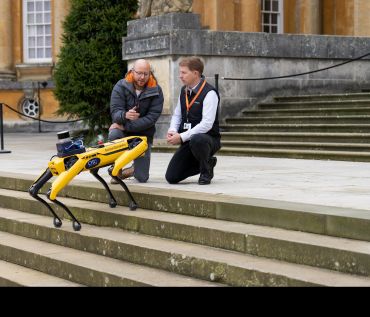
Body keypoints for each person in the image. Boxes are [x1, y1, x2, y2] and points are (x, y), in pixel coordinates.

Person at [165, 57, 221, 185]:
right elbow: (177, 115)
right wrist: (173, 130)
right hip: (187, 140)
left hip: (207, 139)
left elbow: (207, 124)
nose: (180, 76)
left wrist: (182, 136)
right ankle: (207, 162)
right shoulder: (184, 91)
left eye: (184, 73)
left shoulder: (209, 93)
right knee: (171, 177)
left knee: (198, 139)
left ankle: (205, 172)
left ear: (195, 73)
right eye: (180, 72)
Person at [109, 59, 164, 183]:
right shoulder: (121, 86)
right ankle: (116, 172)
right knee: (114, 133)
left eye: (145, 73)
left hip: (144, 135)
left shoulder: (156, 90)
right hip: (123, 133)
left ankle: (135, 169)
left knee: (142, 177)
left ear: (150, 73)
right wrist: (125, 115)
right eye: (139, 73)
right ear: (132, 72)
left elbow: (151, 119)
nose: (142, 77)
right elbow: (115, 113)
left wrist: (126, 126)